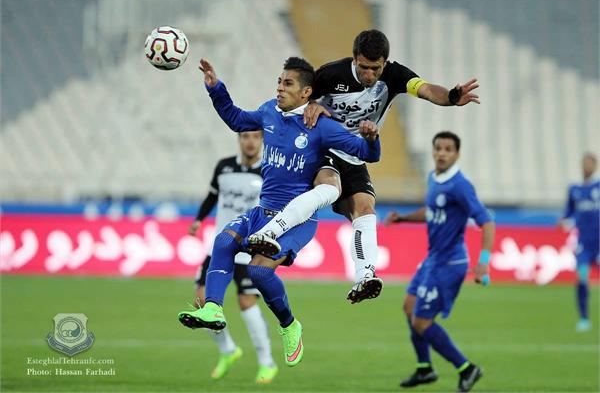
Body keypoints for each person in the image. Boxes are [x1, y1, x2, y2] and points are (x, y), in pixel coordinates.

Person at [247, 29, 480, 305]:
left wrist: (452, 97)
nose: (370, 75)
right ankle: (269, 233)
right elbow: (298, 99)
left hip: (356, 155)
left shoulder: (396, 76)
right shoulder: (331, 75)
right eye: (363, 67)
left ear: (385, 63)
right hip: (323, 148)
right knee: (329, 187)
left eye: (375, 68)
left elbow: (428, 90)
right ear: (354, 59)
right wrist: (314, 106)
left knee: (366, 209)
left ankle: (365, 276)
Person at [178, 56, 381, 367]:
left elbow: (367, 154)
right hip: (262, 210)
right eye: (278, 82)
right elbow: (236, 119)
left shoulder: (321, 127)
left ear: (305, 92)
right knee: (222, 241)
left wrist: (372, 138)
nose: (279, 88)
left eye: (287, 84)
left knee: (259, 271)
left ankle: (289, 326)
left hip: (296, 220)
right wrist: (215, 89)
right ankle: (213, 309)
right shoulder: (268, 112)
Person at [383, 131, 494, 392]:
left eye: (448, 149)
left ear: (457, 154)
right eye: (438, 148)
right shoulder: (433, 178)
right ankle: (425, 369)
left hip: (450, 263)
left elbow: (486, 221)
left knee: (422, 322)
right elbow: (432, 211)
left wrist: (484, 261)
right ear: (433, 151)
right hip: (433, 259)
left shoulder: (460, 185)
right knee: (409, 308)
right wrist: (403, 219)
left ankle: (467, 369)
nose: (442, 153)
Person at [188, 130, 278, 384]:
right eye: (245, 136)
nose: (250, 141)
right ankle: (228, 349)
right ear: (239, 140)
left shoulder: (270, 171)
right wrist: (198, 220)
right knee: (201, 300)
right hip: (221, 246)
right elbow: (212, 197)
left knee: (246, 303)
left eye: (255, 137)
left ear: (262, 141)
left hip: (250, 248)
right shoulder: (224, 167)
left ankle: (267, 363)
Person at [559, 153, 599, 332]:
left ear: (595, 166)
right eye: (584, 163)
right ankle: (584, 319)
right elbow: (569, 212)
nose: (586, 166)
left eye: (590, 163)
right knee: (581, 277)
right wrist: (563, 221)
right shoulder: (574, 189)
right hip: (584, 242)